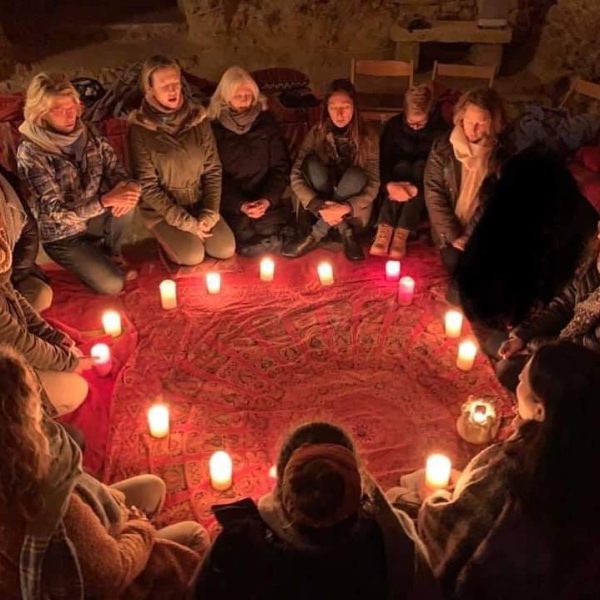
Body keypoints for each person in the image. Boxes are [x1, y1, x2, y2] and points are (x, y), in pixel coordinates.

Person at [0, 345, 208, 600]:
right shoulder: (49, 502)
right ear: (21, 413)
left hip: (90, 534)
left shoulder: (17, 464)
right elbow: (111, 574)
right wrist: (139, 527)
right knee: (194, 534)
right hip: (111, 578)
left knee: (152, 487)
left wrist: (107, 503)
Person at [412, 341, 600, 599]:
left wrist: (431, 499)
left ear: (539, 410)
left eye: (523, 380)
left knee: (400, 496)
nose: (518, 379)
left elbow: (448, 532)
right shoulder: (585, 458)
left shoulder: (517, 469)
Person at [190, 421, 440, 599]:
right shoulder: (393, 540)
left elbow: (199, 591)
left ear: (281, 491)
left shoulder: (238, 541)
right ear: (360, 491)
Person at [17, 72, 140, 295]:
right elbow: (56, 213)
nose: (70, 114)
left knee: (128, 200)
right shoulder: (31, 152)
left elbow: (116, 170)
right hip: (63, 235)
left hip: (93, 215)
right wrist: (105, 201)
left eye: (72, 105)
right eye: (59, 109)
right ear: (41, 114)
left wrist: (131, 188)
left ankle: (110, 252)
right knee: (113, 285)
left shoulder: (88, 131)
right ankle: (90, 259)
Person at [128, 55, 235, 269]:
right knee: (192, 256)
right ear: (150, 89)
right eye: (164, 85)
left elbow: (213, 168)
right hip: (165, 211)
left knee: (225, 249)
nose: (172, 90)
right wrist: (185, 223)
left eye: (175, 83)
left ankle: (196, 233)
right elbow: (148, 185)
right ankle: (171, 242)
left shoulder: (198, 119)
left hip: (198, 202)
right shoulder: (141, 130)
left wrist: (210, 212)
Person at [282, 79, 379, 262]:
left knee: (356, 175)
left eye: (345, 107)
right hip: (320, 199)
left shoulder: (369, 136)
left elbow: (373, 183)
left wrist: (346, 207)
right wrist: (319, 205)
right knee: (311, 164)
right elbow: (295, 174)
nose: (339, 114)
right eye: (333, 107)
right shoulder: (317, 132)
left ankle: (316, 235)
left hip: (352, 204)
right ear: (326, 108)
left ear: (354, 108)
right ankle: (344, 231)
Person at [495, 225, 600, 391]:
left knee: (507, 369)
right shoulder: (593, 264)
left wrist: (534, 347)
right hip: (564, 340)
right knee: (499, 345)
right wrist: (522, 337)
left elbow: (587, 346)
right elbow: (562, 306)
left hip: (587, 365)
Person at [0, 231, 88, 416]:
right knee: (76, 389)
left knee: (40, 294)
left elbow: (12, 294)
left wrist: (52, 336)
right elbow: (17, 341)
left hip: (10, 345)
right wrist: (69, 362)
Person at [424, 87, 507, 275]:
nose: (473, 129)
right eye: (469, 121)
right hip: (450, 231)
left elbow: (496, 200)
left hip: (483, 228)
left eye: (481, 123)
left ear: (493, 123)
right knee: (458, 265)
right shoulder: (443, 148)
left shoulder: (501, 154)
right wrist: (454, 237)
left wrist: (471, 236)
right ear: (461, 116)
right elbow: (434, 192)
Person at [209, 66, 291, 257]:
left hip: (264, 197)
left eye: (249, 95)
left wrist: (266, 200)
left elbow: (280, 166)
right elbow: (213, 175)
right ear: (226, 97)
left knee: (269, 229)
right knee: (243, 234)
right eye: (239, 95)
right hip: (233, 201)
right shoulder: (214, 129)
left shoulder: (266, 123)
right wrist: (241, 204)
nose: (245, 100)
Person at [371, 84, 449, 259]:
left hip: (423, 187)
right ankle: (385, 227)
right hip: (395, 182)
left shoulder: (441, 132)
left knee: (420, 166)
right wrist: (389, 185)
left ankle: (402, 232)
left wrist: (416, 190)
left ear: (430, 114)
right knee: (403, 166)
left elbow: (440, 173)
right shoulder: (393, 127)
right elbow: (382, 162)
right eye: (410, 121)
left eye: (420, 122)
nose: (415, 127)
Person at [0, 165, 52, 311]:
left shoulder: (5, 181)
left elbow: (29, 234)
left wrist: (12, 277)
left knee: (41, 294)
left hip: (13, 272)